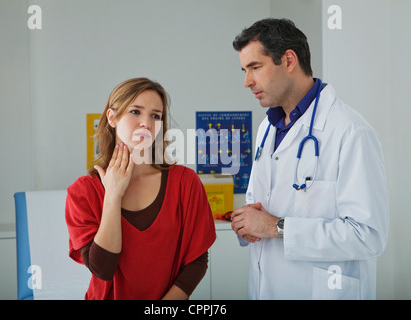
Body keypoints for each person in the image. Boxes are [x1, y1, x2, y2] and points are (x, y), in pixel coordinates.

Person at [230, 18, 388, 299]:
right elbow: (262, 210)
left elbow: (368, 236)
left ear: (289, 60)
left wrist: (276, 227)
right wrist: (247, 223)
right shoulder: (267, 128)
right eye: (244, 70)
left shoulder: (351, 132)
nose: (246, 82)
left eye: (255, 67)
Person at [65, 77, 216, 300]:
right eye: (135, 112)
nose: (146, 123)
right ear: (112, 117)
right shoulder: (83, 192)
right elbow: (102, 269)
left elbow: (196, 262)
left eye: (156, 115)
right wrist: (113, 195)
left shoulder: (185, 182)